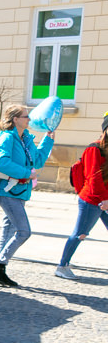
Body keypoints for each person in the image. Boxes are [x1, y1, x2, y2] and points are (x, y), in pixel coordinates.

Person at [0, 104, 55, 287]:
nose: (29, 119)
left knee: (8, 230)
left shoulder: (26, 138)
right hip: (8, 192)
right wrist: (26, 173)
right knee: (24, 231)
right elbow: (1, 161)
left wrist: (47, 140)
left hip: (20, 192)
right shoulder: (8, 137)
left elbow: (38, 160)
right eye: (26, 116)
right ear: (15, 119)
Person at [55, 116, 108, 279]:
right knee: (80, 234)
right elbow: (94, 178)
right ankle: (62, 266)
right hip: (91, 200)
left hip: (104, 199)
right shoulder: (95, 148)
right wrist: (104, 200)